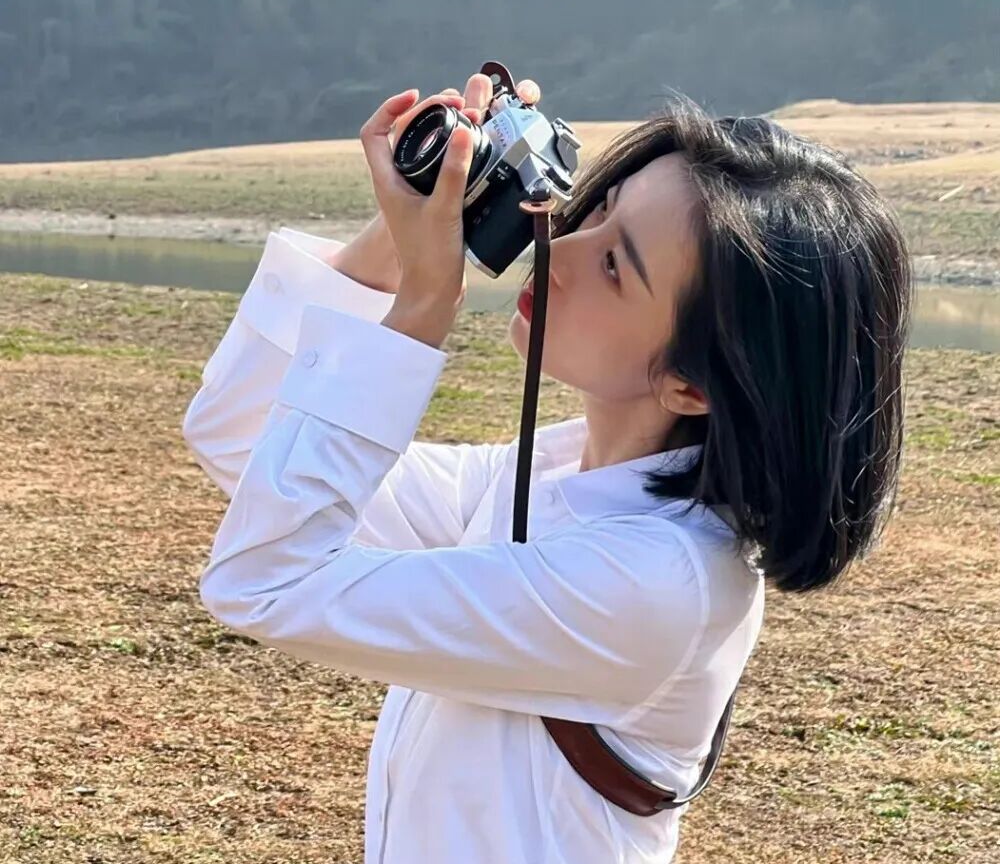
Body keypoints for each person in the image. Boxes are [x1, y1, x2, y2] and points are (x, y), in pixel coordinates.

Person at [183, 73, 912, 863]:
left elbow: (265, 582)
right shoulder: (556, 475)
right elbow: (239, 435)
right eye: (596, 211)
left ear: (695, 383)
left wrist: (422, 310)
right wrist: (412, 228)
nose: (557, 252)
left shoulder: (658, 580)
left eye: (614, 266)